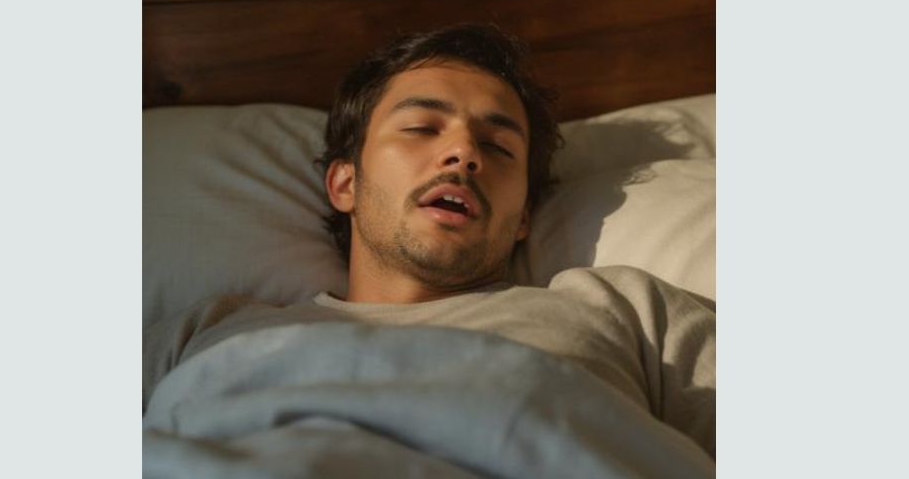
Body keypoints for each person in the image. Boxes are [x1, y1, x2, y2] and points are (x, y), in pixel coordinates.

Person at [143, 23, 716, 458]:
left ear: (523, 217)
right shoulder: (206, 333)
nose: (463, 153)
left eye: (498, 147)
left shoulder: (625, 311)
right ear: (344, 183)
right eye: (421, 127)